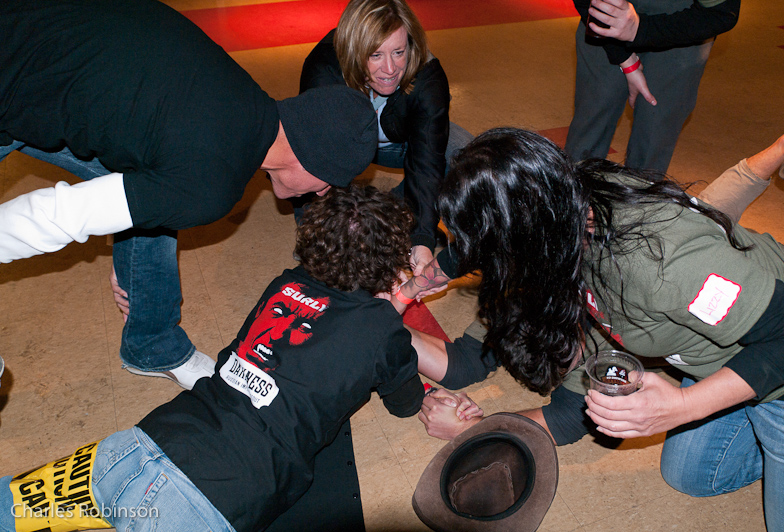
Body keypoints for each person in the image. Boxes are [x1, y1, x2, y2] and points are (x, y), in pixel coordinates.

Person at [401, 127, 784, 530]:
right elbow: (495, 230)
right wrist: (415, 287)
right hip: (720, 354)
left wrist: (684, 407)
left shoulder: (655, 265)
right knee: (691, 477)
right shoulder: (564, 202)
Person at [0, 185, 430, 532]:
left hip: (139, 448)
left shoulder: (285, 284)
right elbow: (405, 402)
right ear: (391, 261)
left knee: (8, 507)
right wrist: (390, 314)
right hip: (205, 501)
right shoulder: (382, 332)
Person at [0, 0, 378, 390]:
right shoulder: (212, 184)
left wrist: (122, 219)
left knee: (158, 200)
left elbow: (159, 184)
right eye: (327, 181)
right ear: (309, 159)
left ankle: (152, 345)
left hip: (41, 35)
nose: (321, 192)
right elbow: (60, 215)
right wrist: (104, 214)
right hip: (16, 76)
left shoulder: (239, 96)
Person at [298, 0, 474, 274]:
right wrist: (328, 237)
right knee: (325, 246)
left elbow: (426, 162)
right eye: (375, 55)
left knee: (469, 157)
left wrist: (423, 239)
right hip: (344, 143)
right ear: (355, 51)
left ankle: (389, 211)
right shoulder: (324, 72)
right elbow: (316, 157)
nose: (390, 69)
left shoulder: (427, 76)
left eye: (399, 52)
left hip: (399, 140)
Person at [564, 0, 740, 174]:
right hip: (607, 15)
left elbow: (722, 13)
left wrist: (639, 30)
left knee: (654, 133)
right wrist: (624, 59)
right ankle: (571, 196)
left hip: (685, 24)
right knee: (591, 125)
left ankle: (642, 196)